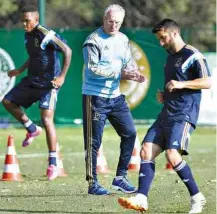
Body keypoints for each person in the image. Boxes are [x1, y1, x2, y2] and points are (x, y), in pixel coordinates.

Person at [118, 19, 211, 213]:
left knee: (172, 154)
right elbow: (174, 85)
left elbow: (207, 81)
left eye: (163, 38)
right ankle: (142, 199)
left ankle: (197, 198)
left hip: (184, 115)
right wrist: (166, 94)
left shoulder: (193, 55)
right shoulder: (170, 57)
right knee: (146, 150)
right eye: (159, 39)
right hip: (166, 113)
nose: (161, 43)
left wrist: (181, 85)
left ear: (174, 33)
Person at [2, 6, 72, 181]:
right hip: (32, 81)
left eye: (27, 21)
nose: (24, 24)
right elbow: (34, 56)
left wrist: (62, 77)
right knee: (7, 101)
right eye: (23, 21)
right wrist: (19, 70)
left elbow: (67, 51)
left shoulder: (45, 34)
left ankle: (53, 164)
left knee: (47, 120)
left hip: (50, 85)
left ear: (36, 19)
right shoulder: (28, 35)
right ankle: (32, 129)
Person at [82, 4, 145, 195]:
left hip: (116, 98)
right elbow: (93, 69)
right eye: (110, 21)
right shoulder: (92, 41)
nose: (113, 25)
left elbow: (127, 62)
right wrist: (120, 72)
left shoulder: (123, 39)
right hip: (95, 98)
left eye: (117, 22)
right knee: (94, 142)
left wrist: (133, 73)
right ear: (104, 19)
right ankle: (93, 184)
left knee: (130, 134)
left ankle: (120, 178)